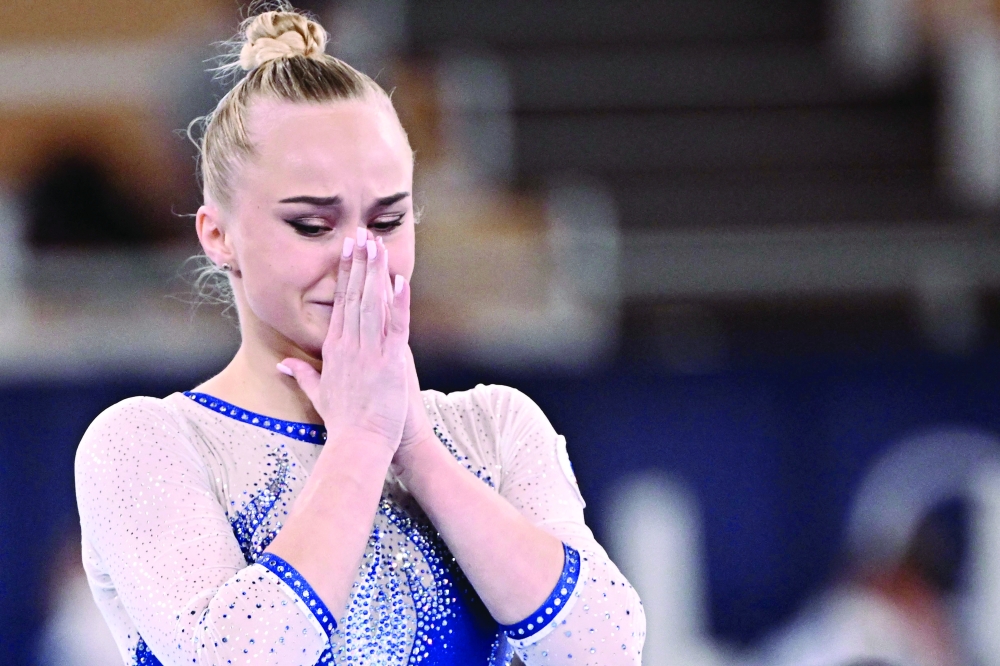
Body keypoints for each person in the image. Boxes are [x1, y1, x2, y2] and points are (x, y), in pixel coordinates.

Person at [74, 5, 645, 665]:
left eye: (385, 222)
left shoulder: (493, 427)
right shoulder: (149, 444)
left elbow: (605, 648)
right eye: (313, 225)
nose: (357, 257)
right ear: (218, 235)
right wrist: (361, 442)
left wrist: (420, 453)